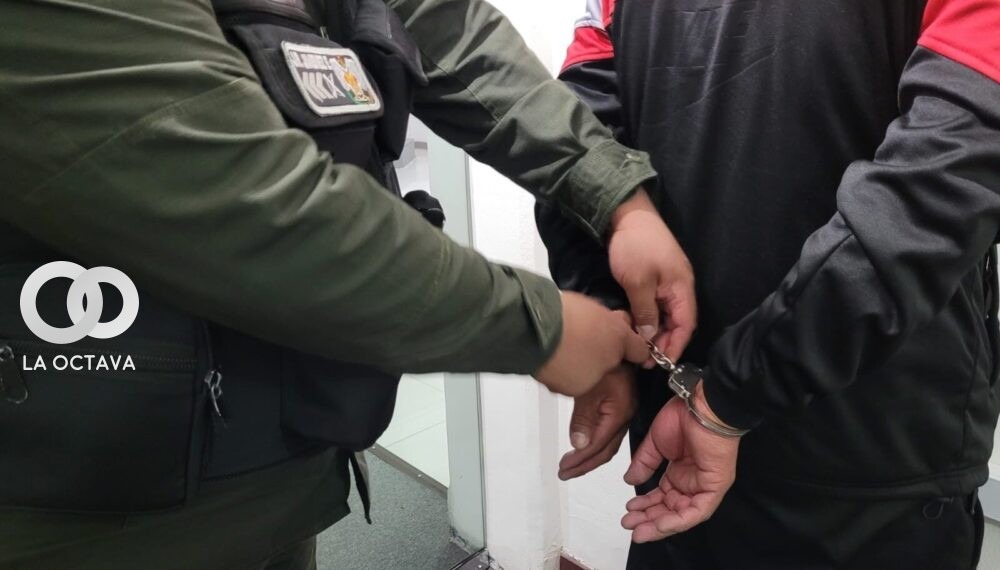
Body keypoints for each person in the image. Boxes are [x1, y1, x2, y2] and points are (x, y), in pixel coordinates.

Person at [0, 0, 697, 568]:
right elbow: (253, 208)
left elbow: (442, 29)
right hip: (89, 517)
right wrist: (544, 329)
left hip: (279, 476)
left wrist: (614, 194)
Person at [538, 0, 1000, 568]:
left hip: (699, 436)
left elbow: (571, 142)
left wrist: (619, 333)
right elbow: (942, 188)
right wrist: (708, 387)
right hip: (849, 458)